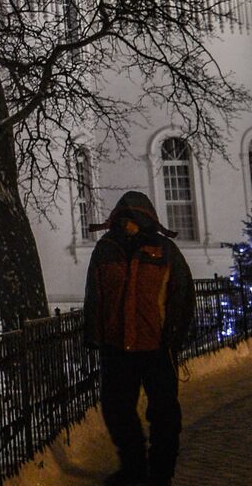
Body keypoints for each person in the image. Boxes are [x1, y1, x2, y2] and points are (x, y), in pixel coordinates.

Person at [83, 190, 196, 486]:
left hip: (156, 347)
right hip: (117, 347)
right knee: (117, 409)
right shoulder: (106, 250)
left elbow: (182, 295)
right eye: (122, 219)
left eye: (131, 219)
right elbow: (95, 296)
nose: (126, 225)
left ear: (144, 220)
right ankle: (133, 466)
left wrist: (174, 336)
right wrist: (95, 334)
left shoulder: (164, 251)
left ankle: (160, 473)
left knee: (164, 414)